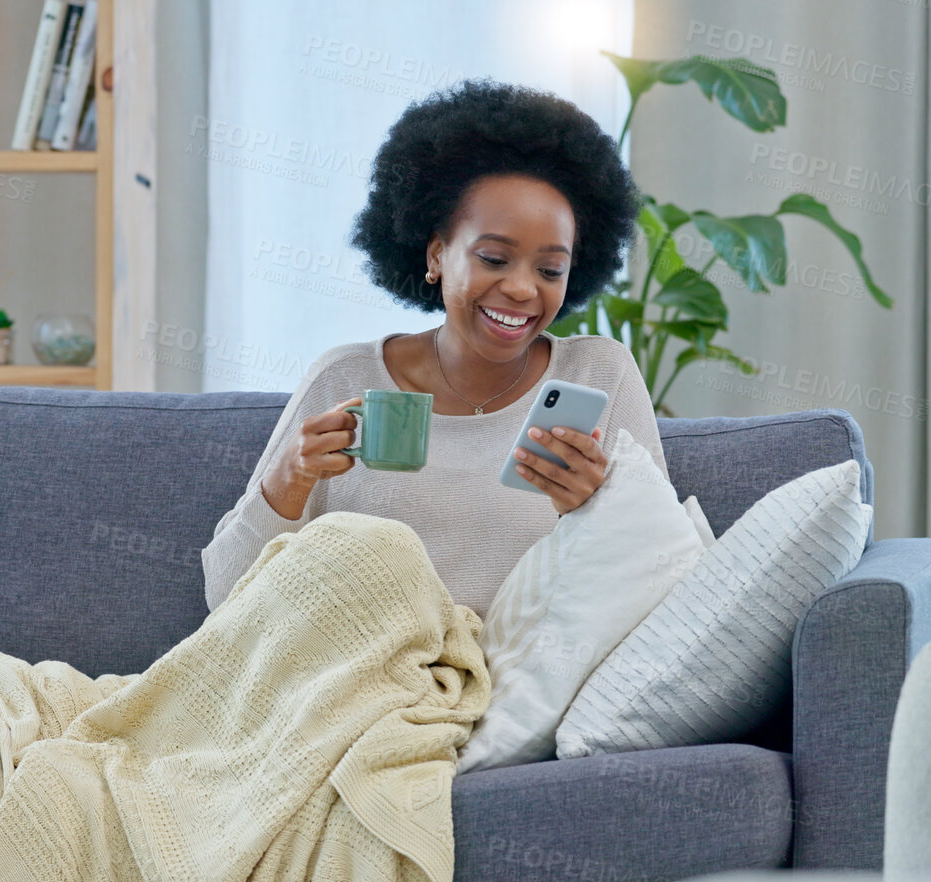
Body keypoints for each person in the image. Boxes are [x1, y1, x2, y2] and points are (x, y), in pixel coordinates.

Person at [203, 80, 665, 615]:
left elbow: (663, 589)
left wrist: (593, 510)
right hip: (353, 677)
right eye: (494, 258)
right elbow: (225, 598)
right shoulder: (346, 379)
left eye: (550, 269)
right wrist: (289, 478)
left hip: (518, 687)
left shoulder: (598, 374)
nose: (521, 288)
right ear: (438, 254)